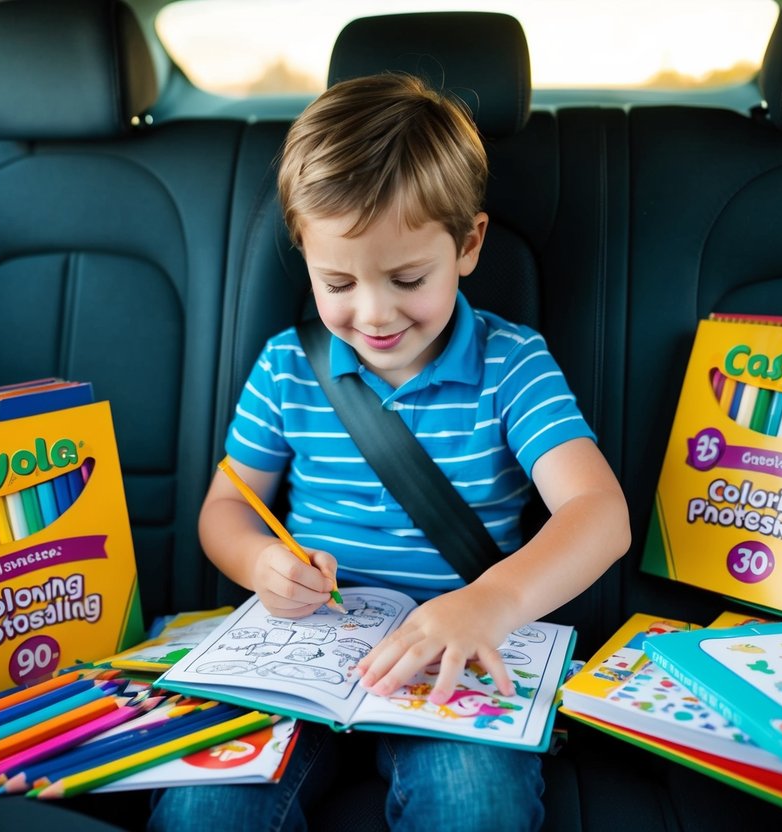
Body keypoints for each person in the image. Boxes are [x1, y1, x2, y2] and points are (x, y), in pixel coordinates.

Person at [148, 71, 630, 832]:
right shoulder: (285, 366)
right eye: (336, 281)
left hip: (455, 655)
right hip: (303, 653)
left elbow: (599, 514)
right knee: (202, 805)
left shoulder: (512, 365)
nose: (372, 314)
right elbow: (225, 507)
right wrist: (258, 566)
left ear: (468, 244)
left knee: (477, 806)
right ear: (303, 252)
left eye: (407, 278)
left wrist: (488, 605)